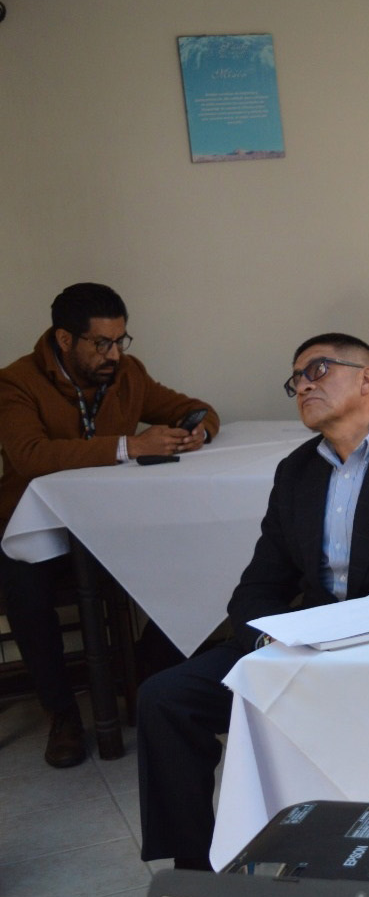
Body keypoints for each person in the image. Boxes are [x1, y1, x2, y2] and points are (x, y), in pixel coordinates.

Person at [136, 333, 369, 870]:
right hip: (306, 645)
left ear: (367, 378)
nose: (302, 385)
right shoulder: (297, 470)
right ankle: (196, 868)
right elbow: (259, 583)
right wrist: (266, 642)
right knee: (165, 697)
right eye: (295, 378)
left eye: (317, 370)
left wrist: (343, 633)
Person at [0, 283, 218, 769]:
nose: (114, 354)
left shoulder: (127, 373)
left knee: (193, 556)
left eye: (120, 341)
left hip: (109, 525)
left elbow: (193, 408)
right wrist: (130, 446)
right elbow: (30, 455)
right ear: (64, 339)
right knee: (24, 590)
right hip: (34, 530)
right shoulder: (15, 383)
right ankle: (62, 714)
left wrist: (198, 429)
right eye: (101, 343)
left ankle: (143, 672)